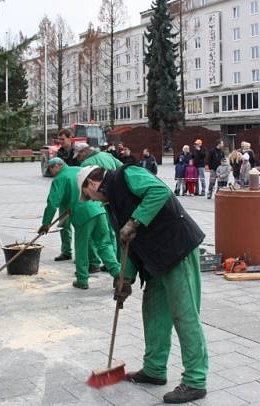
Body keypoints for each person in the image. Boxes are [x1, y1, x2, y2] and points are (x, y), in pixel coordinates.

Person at [78, 165, 208, 403]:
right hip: (154, 260)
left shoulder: (126, 175)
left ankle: (195, 381)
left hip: (177, 249)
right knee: (154, 314)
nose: (92, 200)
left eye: (88, 195)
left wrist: (136, 221)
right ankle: (155, 369)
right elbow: (126, 245)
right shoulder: (111, 205)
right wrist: (124, 279)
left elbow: (159, 192)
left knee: (185, 316)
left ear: (92, 184)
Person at [41, 158, 81, 261]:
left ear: (58, 166)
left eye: (51, 169)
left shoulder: (59, 178)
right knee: (65, 226)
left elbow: (52, 203)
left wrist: (46, 223)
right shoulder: (79, 169)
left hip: (76, 206)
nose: (50, 172)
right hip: (78, 204)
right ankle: (67, 252)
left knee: (79, 230)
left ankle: (82, 257)